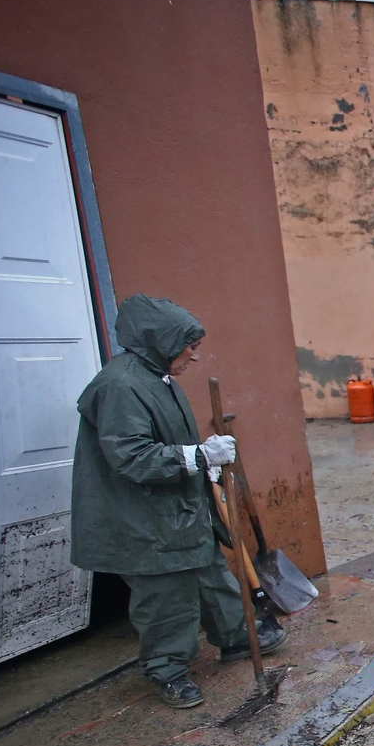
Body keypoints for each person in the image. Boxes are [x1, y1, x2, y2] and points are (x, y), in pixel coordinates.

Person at [71, 295, 285, 709]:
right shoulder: (121, 386)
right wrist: (199, 456)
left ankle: (236, 637)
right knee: (166, 594)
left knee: (209, 570)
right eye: (190, 346)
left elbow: (165, 442)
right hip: (143, 517)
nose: (195, 356)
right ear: (162, 341)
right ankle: (167, 669)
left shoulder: (157, 379)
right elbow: (130, 456)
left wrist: (201, 461)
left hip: (177, 506)